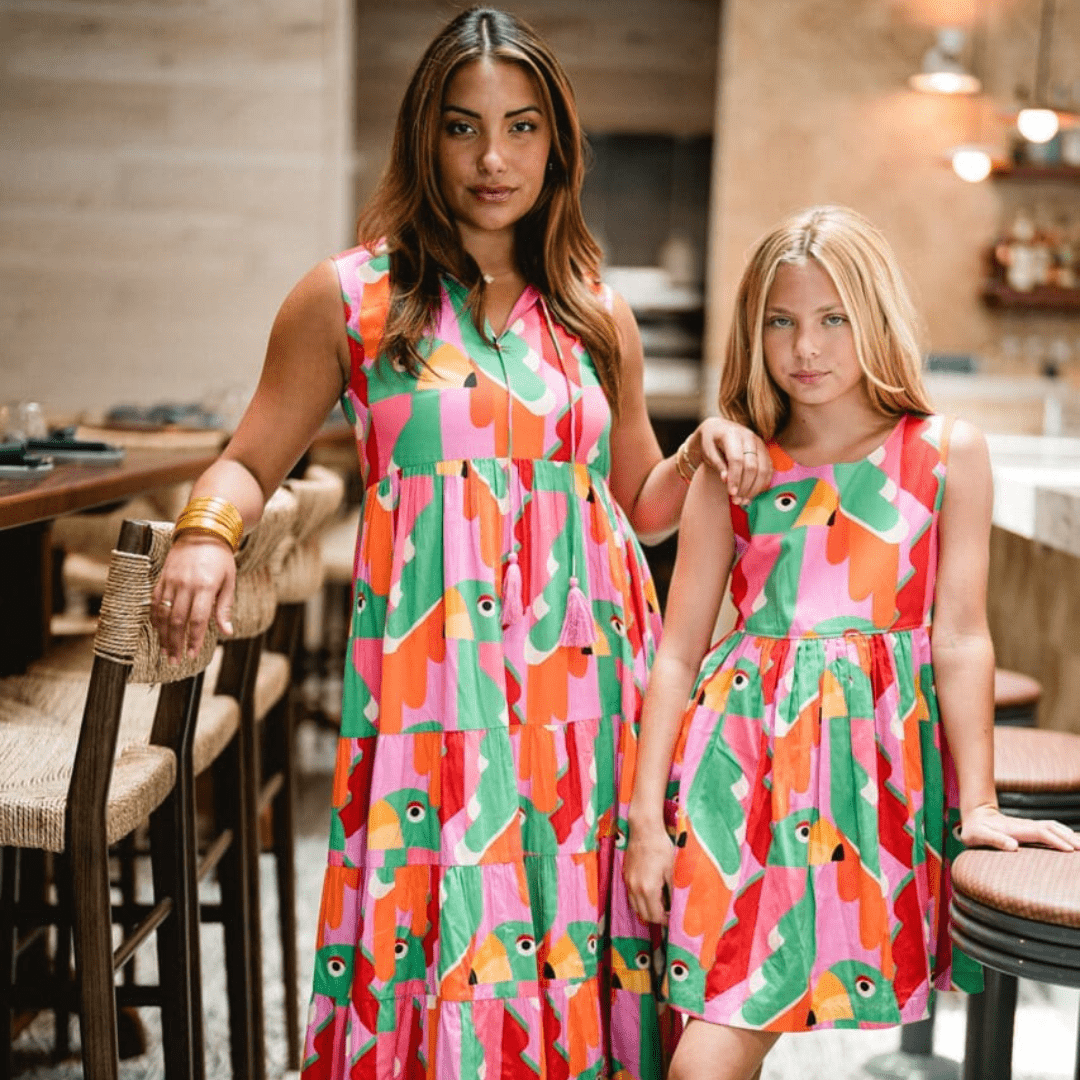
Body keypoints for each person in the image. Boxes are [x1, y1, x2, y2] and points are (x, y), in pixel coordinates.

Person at [151, 8, 774, 1078]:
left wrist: (710, 444)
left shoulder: (594, 312)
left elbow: (644, 502)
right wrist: (207, 535)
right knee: (436, 909)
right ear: (422, 138)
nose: (495, 158)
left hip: (586, 684)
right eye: (464, 127)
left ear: (557, 144)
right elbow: (247, 461)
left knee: (573, 901)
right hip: (432, 679)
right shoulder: (350, 298)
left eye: (523, 128)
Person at [621, 205, 1080, 1080]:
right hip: (739, 782)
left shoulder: (945, 454)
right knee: (704, 1053)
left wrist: (977, 803)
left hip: (874, 781)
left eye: (834, 319)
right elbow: (677, 651)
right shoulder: (737, 467)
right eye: (783, 322)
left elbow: (963, 637)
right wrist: (647, 821)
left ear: (876, 321)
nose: (808, 348)